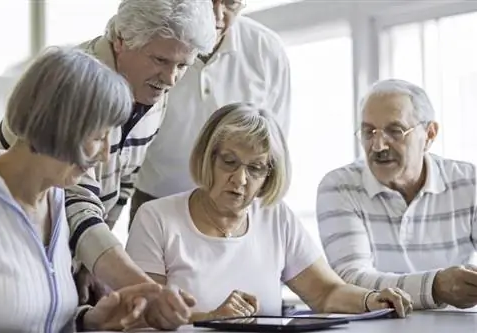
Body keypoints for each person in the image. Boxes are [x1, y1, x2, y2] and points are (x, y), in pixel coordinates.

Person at [0, 0, 216, 328]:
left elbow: (122, 184)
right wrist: (144, 289)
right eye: (160, 60)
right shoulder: (73, 87)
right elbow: (77, 204)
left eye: (183, 66)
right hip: (15, 236)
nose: (171, 79)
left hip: (63, 255)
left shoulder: (154, 90)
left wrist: (89, 264)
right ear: (121, 40)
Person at [126, 103, 413, 320]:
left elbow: (326, 293)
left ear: (269, 175)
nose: (240, 179)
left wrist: (372, 300)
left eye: (255, 168)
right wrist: (211, 320)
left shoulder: (275, 216)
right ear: (206, 157)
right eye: (229, 162)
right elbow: (143, 318)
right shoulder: (156, 218)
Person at [0, 47, 166, 332]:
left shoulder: (55, 200)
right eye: (99, 137)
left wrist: (86, 322)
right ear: (58, 126)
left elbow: (38, 317)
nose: (104, 156)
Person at [317, 79, 477, 310]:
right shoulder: (339, 186)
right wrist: (435, 286)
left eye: (395, 131)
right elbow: (351, 279)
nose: (378, 145)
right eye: (368, 132)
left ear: (429, 135)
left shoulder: (469, 183)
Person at [130, 0, 292, 223]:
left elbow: (274, 146)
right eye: (207, 1)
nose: (217, 15)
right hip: (157, 199)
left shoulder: (267, 50)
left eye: (231, 3)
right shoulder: (157, 41)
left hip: (238, 205)